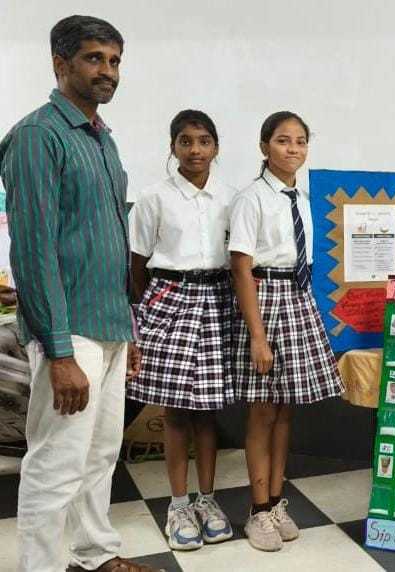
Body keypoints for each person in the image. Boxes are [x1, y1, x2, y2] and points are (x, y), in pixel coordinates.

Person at [0, 15, 154, 572]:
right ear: (60, 63)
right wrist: (60, 352)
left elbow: (110, 243)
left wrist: (127, 330)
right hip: (69, 334)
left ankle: (94, 555)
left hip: (108, 325)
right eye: (94, 58)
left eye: (114, 61)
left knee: (100, 454)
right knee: (55, 462)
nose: (107, 71)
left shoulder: (102, 139)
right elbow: (34, 251)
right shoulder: (38, 136)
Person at [229, 111, 344, 551]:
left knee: (285, 410)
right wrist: (257, 336)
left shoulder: (305, 199)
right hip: (266, 301)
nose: (293, 148)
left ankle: (277, 501)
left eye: (300, 141)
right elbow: (241, 266)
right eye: (282, 140)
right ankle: (257, 510)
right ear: (264, 147)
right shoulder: (252, 198)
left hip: (298, 300)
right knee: (262, 411)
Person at [127, 110, 236, 551]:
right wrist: (149, 311)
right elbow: (137, 264)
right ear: (172, 146)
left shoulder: (231, 198)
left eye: (204, 141)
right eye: (185, 141)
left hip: (217, 300)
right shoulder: (153, 197)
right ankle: (178, 505)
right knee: (174, 411)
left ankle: (207, 500)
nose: (195, 150)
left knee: (207, 411)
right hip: (169, 299)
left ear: (216, 147)